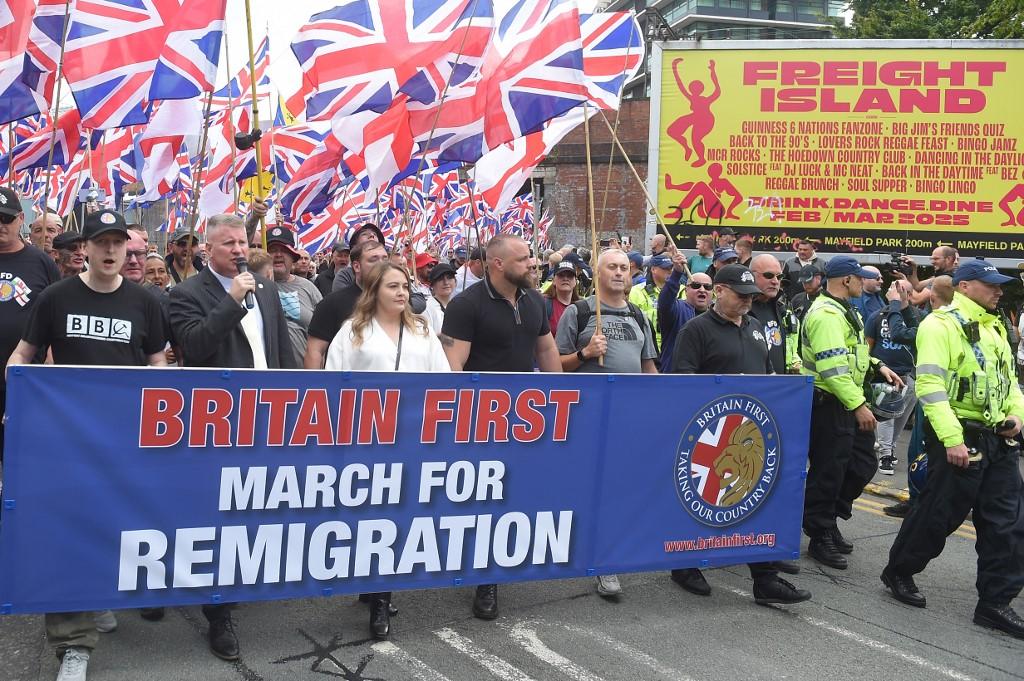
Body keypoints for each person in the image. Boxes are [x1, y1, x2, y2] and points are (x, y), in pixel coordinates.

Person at [7, 208, 167, 681]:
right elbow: (24, 354)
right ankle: (73, 643)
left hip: (125, 439)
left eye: (119, 243)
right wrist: (18, 392)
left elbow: (157, 363)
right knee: (66, 527)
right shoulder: (56, 297)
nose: (111, 251)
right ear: (87, 249)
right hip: (67, 437)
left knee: (116, 522)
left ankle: (96, 592)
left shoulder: (145, 302)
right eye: (102, 243)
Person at [168, 214, 297, 661]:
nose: (239, 250)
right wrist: (231, 301)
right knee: (217, 514)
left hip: (268, 414)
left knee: (255, 504)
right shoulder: (186, 294)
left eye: (242, 241)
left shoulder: (266, 290)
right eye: (228, 243)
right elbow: (195, 347)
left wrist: (293, 399)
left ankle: (243, 578)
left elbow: (280, 349)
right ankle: (217, 611)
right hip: (219, 422)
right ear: (207, 250)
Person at [882, 260, 1024, 640]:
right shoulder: (939, 325)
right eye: (990, 284)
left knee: (1008, 524)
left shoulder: (995, 327)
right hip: (961, 437)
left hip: (999, 441)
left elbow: (1009, 383)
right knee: (937, 516)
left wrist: (1016, 416)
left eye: (1000, 285)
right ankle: (899, 571)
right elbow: (930, 386)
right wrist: (952, 439)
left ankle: (994, 603)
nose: (999, 291)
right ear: (964, 286)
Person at [669, 264, 812, 605]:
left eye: (751, 295)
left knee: (754, 500)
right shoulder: (696, 330)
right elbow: (683, 382)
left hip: (750, 430)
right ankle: (684, 564)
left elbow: (768, 374)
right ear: (719, 291)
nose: (748, 301)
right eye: (741, 294)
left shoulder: (756, 327)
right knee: (704, 498)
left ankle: (765, 578)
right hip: (711, 434)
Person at [324, 262, 450, 639]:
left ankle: (381, 594)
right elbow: (333, 385)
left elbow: (443, 384)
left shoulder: (422, 332)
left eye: (405, 286)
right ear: (374, 291)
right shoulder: (353, 332)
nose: (401, 292)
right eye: (392, 286)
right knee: (368, 516)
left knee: (395, 516)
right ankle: (373, 586)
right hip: (364, 441)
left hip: (411, 440)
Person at [439, 234, 562, 620]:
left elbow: (546, 349)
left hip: (526, 420)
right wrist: (462, 416)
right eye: (524, 259)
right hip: (481, 420)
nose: (532, 264)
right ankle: (484, 578)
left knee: (512, 497)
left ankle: (495, 566)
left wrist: (562, 399)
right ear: (497, 264)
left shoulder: (535, 300)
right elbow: (453, 363)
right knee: (484, 500)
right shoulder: (465, 305)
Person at [556, 250, 657, 597]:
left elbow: (649, 367)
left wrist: (660, 405)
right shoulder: (579, 312)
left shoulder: (639, 315)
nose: (618, 272)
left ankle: (608, 556)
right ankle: (590, 553)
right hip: (589, 415)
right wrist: (584, 353)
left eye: (624, 268)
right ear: (596, 273)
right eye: (611, 267)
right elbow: (555, 365)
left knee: (620, 487)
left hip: (629, 417)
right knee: (591, 487)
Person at [800, 256, 903, 570]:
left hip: (847, 400)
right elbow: (833, 369)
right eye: (860, 277)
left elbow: (853, 353)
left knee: (861, 464)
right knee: (829, 471)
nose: (865, 282)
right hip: (830, 403)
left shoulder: (845, 310)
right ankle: (819, 534)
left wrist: (878, 365)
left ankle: (829, 518)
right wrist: (858, 406)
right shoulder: (826, 315)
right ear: (847, 280)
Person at [883, 276, 954, 519]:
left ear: (932, 297)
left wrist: (895, 305)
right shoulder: (945, 318)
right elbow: (916, 326)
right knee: (920, 450)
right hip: (939, 395)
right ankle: (919, 500)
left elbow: (900, 334)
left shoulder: (937, 323)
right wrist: (904, 306)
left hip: (932, 396)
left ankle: (921, 503)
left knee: (921, 451)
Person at [0, 187, 61, 465]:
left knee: (21, 458)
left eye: (7, 218)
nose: (1, 225)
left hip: (24, 380)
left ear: (20, 219)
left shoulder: (42, 263)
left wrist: (51, 359)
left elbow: (58, 315)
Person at [304, 241, 389, 369]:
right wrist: (315, 381)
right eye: (374, 259)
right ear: (357, 266)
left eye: (385, 259)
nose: (382, 264)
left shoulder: (396, 302)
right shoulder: (332, 303)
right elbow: (315, 352)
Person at [865, 279, 920, 476]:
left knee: (901, 418)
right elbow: (868, 345)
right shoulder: (877, 316)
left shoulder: (917, 317)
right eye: (892, 287)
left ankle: (890, 447)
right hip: (886, 374)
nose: (894, 291)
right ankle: (885, 455)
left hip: (909, 374)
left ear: (910, 294)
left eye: (900, 289)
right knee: (887, 416)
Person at [266, 227, 323, 367]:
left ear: (292, 257)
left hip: (304, 373)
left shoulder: (309, 288)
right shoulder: (255, 287)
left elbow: (325, 332)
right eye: (272, 250)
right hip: (267, 374)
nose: (278, 254)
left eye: (284, 250)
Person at [658, 250, 712, 371]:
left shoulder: (717, 315)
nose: (702, 290)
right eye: (696, 285)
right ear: (686, 290)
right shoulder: (677, 309)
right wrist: (677, 272)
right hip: (676, 377)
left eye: (707, 287)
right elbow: (665, 302)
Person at [749, 254, 801, 375]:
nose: (775, 281)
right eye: (768, 275)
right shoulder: (740, 311)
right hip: (750, 384)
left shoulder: (783, 310)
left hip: (779, 383)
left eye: (779, 276)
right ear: (751, 276)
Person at [629, 254, 673, 354]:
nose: (670, 271)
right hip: (647, 347)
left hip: (671, 347)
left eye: (671, 268)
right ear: (653, 269)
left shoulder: (680, 290)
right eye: (665, 268)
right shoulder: (637, 291)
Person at [332, 223, 385, 292]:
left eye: (375, 234)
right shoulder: (345, 275)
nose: (372, 235)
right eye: (364, 234)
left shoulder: (392, 273)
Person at [543, 260, 579, 332]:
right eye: (561, 275)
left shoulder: (582, 307)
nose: (565, 279)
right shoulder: (543, 304)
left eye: (570, 276)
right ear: (553, 280)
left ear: (575, 281)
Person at [423, 262, 456, 335]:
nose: (446, 282)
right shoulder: (427, 309)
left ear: (455, 282)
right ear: (432, 285)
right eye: (440, 279)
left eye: (449, 277)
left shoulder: (457, 305)